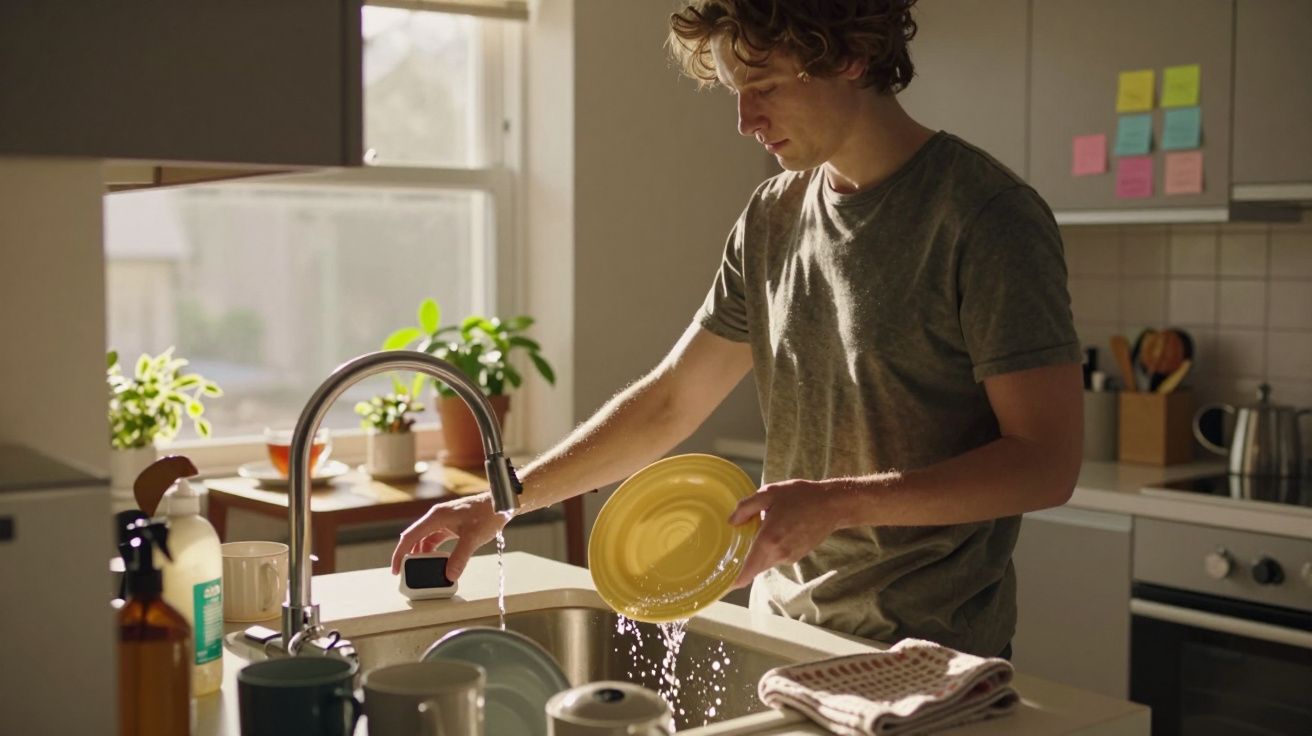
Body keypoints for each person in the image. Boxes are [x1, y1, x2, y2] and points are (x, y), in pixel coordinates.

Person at [392, 0, 1082, 659]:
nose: (746, 119)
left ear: (850, 56)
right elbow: (669, 402)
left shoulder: (987, 218)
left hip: (929, 654)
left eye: (763, 85)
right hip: (784, 631)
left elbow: (1046, 462)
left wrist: (839, 504)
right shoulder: (772, 218)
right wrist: (500, 502)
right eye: (733, 90)